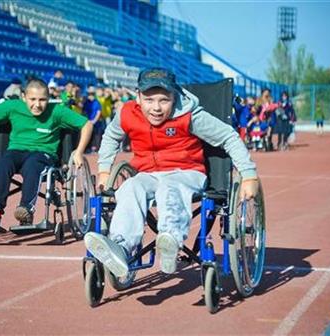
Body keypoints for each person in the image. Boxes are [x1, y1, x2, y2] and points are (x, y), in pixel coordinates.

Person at [84, 68, 259, 277]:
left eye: (163, 100)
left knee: (170, 186)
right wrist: (104, 170)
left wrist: (248, 174)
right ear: (138, 97)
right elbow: (111, 136)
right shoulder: (127, 113)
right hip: (147, 174)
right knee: (129, 187)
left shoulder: (189, 115)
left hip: (186, 172)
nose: (156, 108)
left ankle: (170, 240)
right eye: (149, 100)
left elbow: (228, 137)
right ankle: (121, 247)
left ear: (174, 96)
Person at [0, 78, 93, 226]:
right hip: (15, 151)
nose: (37, 104)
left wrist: (79, 152)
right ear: (23, 97)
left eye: (42, 100)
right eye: (32, 99)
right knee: (3, 162)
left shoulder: (57, 111)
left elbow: (87, 124)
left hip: (43, 154)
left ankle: (26, 209)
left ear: (49, 99)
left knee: (33, 165)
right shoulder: (12, 107)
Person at [82, 88, 103, 153]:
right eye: (89, 94)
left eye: (92, 94)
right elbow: (84, 112)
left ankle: (96, 148)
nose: (90, 96)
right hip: (88, 122)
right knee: (88, 135)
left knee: (96, 136)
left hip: (95, 122)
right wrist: (87, 121)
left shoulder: (97, 102)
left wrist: (94, 121)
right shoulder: (86, 102)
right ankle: (88, 148)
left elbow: (98, 112)